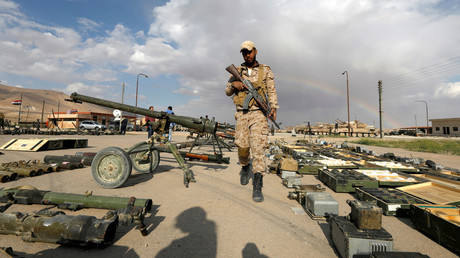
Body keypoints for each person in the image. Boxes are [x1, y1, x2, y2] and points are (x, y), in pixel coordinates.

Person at [225, 40, 279, 202]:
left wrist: (274, 107)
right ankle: (244, 166)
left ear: (255, 51)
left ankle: (257, 183)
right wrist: (235, 85)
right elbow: (227, 91)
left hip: (259, 114)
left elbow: (271, 89)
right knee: (242, 146)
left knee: (258, 148)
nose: (247, 54)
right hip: (242, 113)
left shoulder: (265, 70)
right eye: (244, 52)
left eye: (249, 51)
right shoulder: (237, 71)